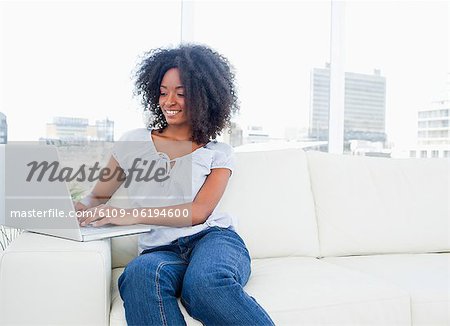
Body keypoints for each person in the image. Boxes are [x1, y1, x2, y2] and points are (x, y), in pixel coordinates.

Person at [74, 44, 274, 325]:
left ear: (204, 98)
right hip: (159, 251)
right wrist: (56, 210)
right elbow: (96, 198)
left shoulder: (218, 153)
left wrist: (131, 215)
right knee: (139, 276)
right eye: (163, 92)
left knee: (205, 285)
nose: (169, 101)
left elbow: (199, 212)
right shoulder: (133, 142)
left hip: (212, 240)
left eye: (181, 93)